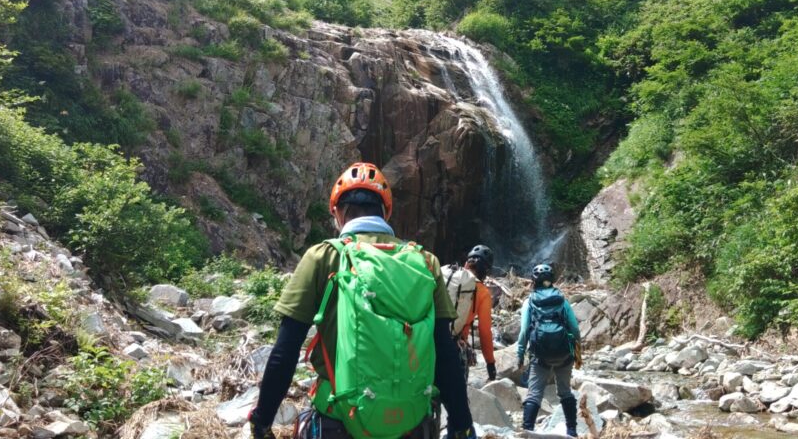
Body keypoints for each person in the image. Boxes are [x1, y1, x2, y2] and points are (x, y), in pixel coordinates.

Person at [248, 162, 476, 439]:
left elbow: (285, 349)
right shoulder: (425, 262)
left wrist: (262, 421)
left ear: (338, 214)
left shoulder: (323, 256)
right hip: (412, 425)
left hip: (339, 422)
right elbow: (444, 352)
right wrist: (461, 424)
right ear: (386, 212)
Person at [516, 264, 581, 437]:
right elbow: (575, 329)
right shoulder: (562, 300)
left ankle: (527, 431)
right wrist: (577, 353)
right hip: (564, 353)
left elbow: (523, 332)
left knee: (535, 394)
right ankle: (572, 432)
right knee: (565, 392)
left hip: (540, 355)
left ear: (533, 281)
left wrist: (520, 355)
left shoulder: (529, 301)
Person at [457, 245, 496, 381]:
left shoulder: (448, 277)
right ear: (485, 270)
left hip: (431, 338)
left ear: (466, 263)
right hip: (456, 344)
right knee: (458, 398)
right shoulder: (483, 292)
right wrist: (490, 363)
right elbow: (484, 332)